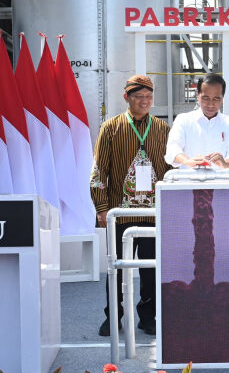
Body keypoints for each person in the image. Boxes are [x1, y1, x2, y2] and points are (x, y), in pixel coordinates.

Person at [91, 75, 172, 336]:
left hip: (152, 213)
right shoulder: (110, 128)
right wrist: (101, 207)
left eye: (149, 97)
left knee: (150, 268)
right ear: (127, 97)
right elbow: (98, 171)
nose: (145, 102)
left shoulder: (162, 129)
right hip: (119, 211)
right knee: (115, 267)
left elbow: (171, 170)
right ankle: (113, 316)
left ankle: (148, 316)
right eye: (139, 97)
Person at [165, 73, 229, 170]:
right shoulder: (183, 120)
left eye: (216, 99)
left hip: (221, 183)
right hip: (188, 182)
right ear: (198, 95)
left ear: (222, 98)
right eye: (205, 98)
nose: (210, 104)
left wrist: (225, 163)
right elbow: (173, 149)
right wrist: (187, 161)